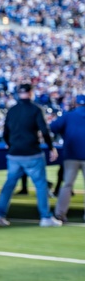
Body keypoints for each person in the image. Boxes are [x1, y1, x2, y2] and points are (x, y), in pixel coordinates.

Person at [0, 82, 61, 227]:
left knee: (9, 185)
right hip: (32, 153)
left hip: (14, 154)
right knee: (41, 186)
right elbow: (45, 130)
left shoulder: (12, 110)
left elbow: (5, 132)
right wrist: (51, 147)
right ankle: (45, 217)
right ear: (31, 93)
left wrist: (10, 145)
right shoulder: (36, 109)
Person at [51, 94, 85, 223]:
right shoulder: (69, 115)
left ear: (76, 104)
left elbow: (53, 127)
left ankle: (60, 214)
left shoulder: (68, 115)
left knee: (67, 185)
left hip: (71, 155)